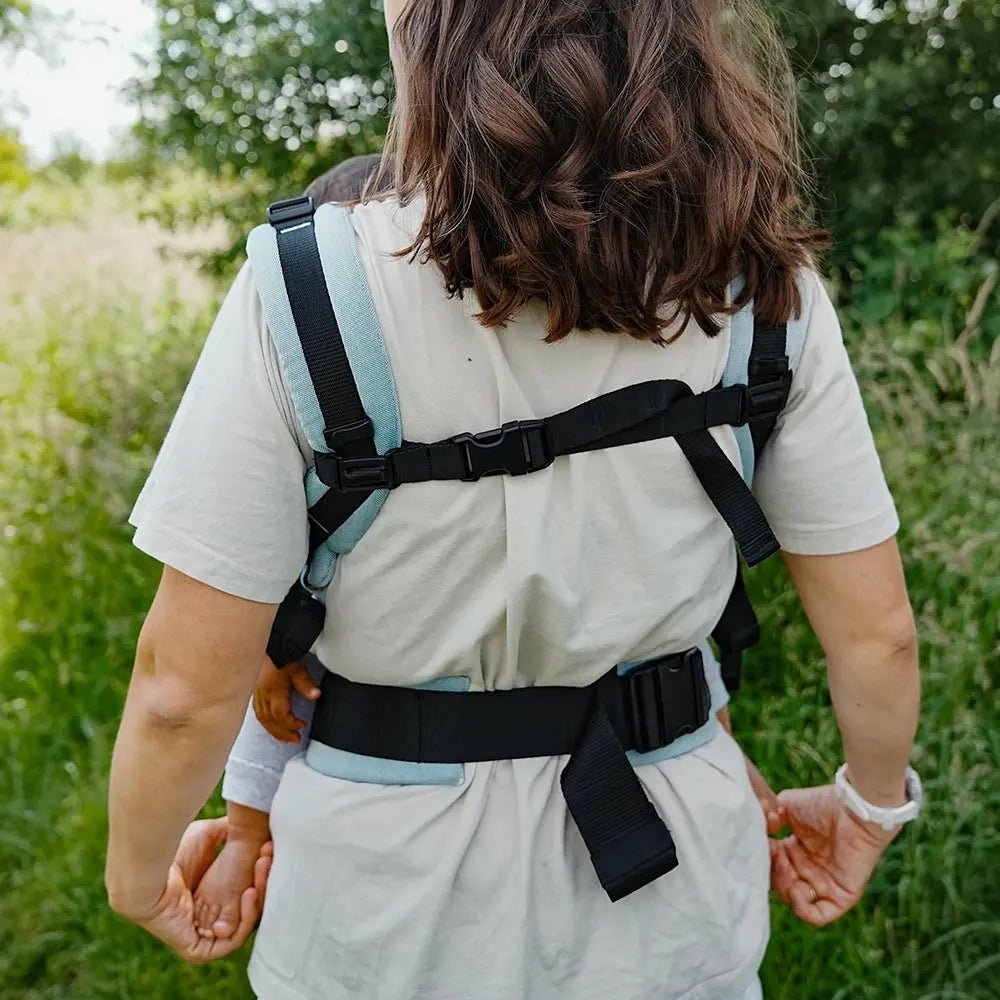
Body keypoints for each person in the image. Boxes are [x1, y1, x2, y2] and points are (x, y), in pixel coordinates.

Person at [105, 2, 923, 999]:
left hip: (381, 911)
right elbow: (876, 633)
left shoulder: (310, 285)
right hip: (674, 896)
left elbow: (182, 689)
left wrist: (140, 876)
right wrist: (870, 803)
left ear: (430, 33)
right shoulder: (764, 286)